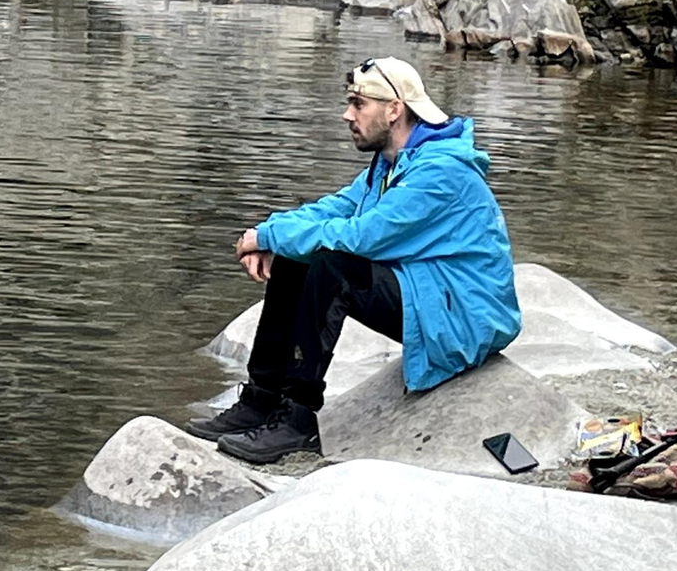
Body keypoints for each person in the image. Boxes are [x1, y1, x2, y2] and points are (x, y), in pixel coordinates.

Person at [189, 56, 521, 465]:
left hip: (466, 318)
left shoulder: (440, 173)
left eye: (358, 104)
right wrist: (267, 233)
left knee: (333, 266)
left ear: (394, 109)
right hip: (430, 291)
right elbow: (336, 209)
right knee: (298, 260)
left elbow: (363, 237)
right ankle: (261, 400)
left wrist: (270, 238)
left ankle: (298, 420)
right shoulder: (393, 162)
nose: (347, 114)